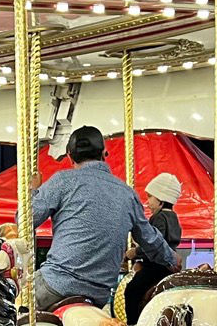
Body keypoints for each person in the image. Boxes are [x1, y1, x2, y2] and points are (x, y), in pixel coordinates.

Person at [30, 126, 175, 314]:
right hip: (98, 294)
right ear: (104, 153)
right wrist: (172, 258)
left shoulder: (62, 182)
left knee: (10, 306)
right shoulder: (127, 193)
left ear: (70, 156)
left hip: (57, 283)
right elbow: (150, 239)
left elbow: (25, 220)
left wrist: (33, 190)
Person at [120, 171, 185, 323]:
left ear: (161, 201)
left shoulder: (159, 217)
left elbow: (154, 244)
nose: (147, 202)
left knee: (132, 289)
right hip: (167, 266)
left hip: (156, 266)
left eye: (150, 197)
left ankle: (132, 325)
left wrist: (134, 252)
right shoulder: (174, 217)